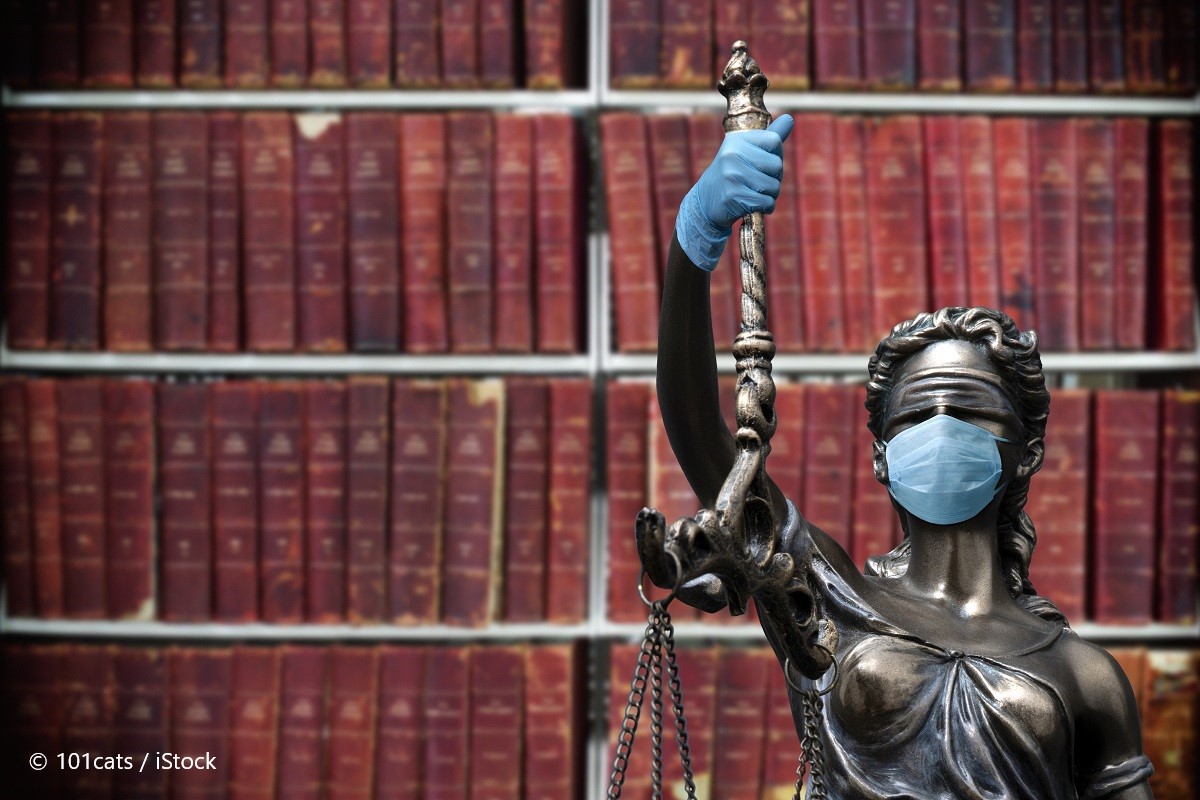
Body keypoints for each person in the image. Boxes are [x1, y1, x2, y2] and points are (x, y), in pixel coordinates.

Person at [645, 113, 1154, 799]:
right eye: (915, 415)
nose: (940, 430)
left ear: (1025, 452)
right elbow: (702, 438)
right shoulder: (827, 597)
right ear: (881, 456)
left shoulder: (1085, 675)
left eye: (970, 412)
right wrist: (697, 235)